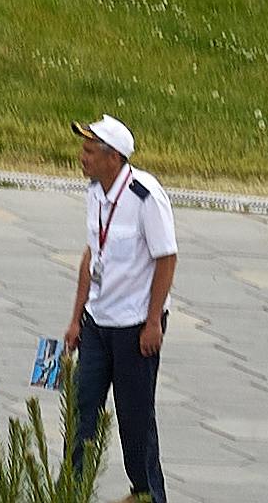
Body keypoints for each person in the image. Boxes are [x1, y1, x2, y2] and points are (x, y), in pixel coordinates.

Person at [63, 116, 178, 500]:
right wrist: (76, 318)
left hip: (135, 328)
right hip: (97, 324)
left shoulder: (146, 197)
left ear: (113, 158)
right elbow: (91, 255)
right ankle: (73, 491)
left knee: (135, 419)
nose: (82, 158)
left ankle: (147, 494)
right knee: (80, 413)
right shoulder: (95, 192)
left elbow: (166, 259)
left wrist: (153, 322)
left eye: (89, 151)